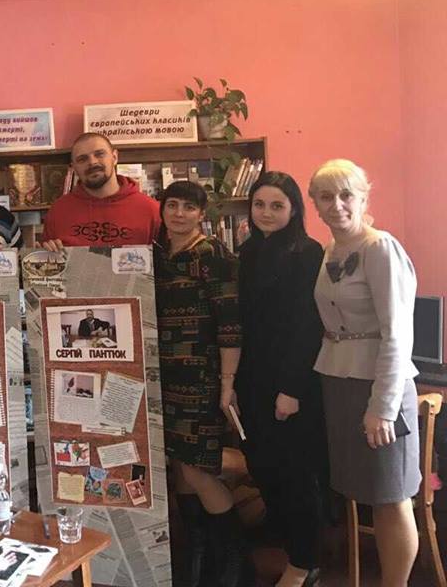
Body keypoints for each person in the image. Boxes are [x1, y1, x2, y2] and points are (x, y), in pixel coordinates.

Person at [309, 159, 420, 587]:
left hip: (379, 387)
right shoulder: (330, 252)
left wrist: (383, 407)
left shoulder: (380, 247)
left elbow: (398, 333)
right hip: (339, 381)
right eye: (326, 196)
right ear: (315, 204)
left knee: (391, 496)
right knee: (363, 492)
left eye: (346, 195)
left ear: (363, 197)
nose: (336, 205)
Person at [153, 181, 248, 587]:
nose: (179, 213)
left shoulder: (213, 256)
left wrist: (227, 385)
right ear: (162, 211)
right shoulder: (158, 256)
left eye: (188, 207)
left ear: (201, 214)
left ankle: (235, 562)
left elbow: (230, 326)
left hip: (203, 377)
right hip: (165, 379)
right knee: (180, 468)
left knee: (198, 469)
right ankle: (199, 559)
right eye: (172, 205)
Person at [235, 172, 326, 587]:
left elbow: (308, 327)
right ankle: (290, 545)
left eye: (277, 205)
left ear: (294, 209)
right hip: (252, 380)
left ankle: (305, 563)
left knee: (295, 475)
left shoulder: (308, 253)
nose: (266, 213)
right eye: (259, 204)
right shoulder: (247, 251)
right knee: (263, 467)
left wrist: (291, 389)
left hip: (292, 383)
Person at [40, 133, 160, 249]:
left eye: (99, 154)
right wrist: (45, 253)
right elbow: (48, 259)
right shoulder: (58, 211)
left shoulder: (151, 210)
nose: (92, 162)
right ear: (74, 168)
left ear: (114, 157)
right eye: (82, 159)